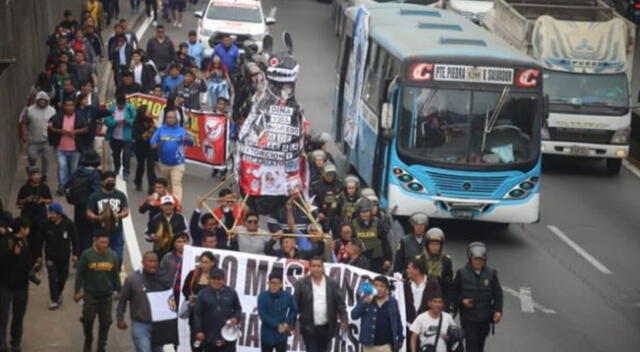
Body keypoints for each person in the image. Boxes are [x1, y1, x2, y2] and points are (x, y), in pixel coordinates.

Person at [450, 242, 503, 352]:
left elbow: (498, 294)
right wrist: (462, 301)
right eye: (475, 259)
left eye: (480, 260)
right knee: (471, 344)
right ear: (470, 259)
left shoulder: (491, 273)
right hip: (468, 318)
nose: (478, 262)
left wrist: (498, 311)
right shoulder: (461, 273)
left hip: (484, 317)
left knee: (480, 345)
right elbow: (453, 293)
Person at [74, 230, 121, 352]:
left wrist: (119, 291)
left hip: (107, 295)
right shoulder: (87, 255)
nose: (104, 245)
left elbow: (116, 275)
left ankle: (101, 345)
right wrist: (77, 291)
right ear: (95, 241)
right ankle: (88, 339)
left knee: (106, 322)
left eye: (106, 242)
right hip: (90, 294)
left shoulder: (113, 256)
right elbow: (79, 274)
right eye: (101, 242)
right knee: (88, 319)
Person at [117, 251, 171, 352]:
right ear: (143, 262)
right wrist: (120, 318)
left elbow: (169, 300)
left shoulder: (163, 279)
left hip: (158, 325)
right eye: (150, 261)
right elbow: (122, 300)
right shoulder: (132, 279)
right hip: (140, 324)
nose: (153, 264)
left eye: (155, 261)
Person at [293, 256, 348, 352]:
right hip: (308, 327)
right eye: (314, 266)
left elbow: (340, 304)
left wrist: (344, 319)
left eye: (319, 266)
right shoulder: (301, 283)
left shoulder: (332, 283)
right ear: (310, 267)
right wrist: (291, 324)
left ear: (323, 267)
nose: (316, 269)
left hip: (327, 327)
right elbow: (295, 305)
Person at [0, 218, 32, 352]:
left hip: (21, 286)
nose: (29, 230)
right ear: (22, 229)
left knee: (18, 316)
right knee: (3, 316)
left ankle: (16, 342)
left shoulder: (25, 242)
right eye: (27, 228)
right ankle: (2, 343)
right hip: (5, 285)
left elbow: (25, 262)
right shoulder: (5, 242)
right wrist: (13, 255)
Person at [193, 268, 243, 352]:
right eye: (213, 278)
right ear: (209, 279)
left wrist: (236, 318)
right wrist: (199, 331)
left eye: (219, 279)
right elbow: (197, 314)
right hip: (209, 335)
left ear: (224, 280)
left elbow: (238, 309)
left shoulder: (231, 292)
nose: (216, 281)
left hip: (228, 335)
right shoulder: (203, 293)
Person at [86, 171, 130, 264]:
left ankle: (115, 274)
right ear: (102, 182)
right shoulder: (95, 196)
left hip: (116, 231)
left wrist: (118, 215)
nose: (111, 182)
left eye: (113, 181)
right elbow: (89, 211)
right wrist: (98, 217)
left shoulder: (120, 195)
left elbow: (126, 210)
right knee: (99, 257)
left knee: (118, 257)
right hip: (100, 231)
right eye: (108, 180)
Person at [150, 109, 194, 202]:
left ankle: (177, 205)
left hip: (178, 163)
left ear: (176, 119)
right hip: (164, 163)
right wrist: (159, 144)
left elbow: (191, 143)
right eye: (168, 117)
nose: (170, 119)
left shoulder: (182, 131)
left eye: (172, 118)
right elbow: (152, 144)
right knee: (166, 186)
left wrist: (188, 139)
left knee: (176, 184)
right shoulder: (160, 130)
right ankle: (167, 203)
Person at [351, 276, 404, 352]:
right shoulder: (365, 299)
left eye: (382, 286)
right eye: (376, 285)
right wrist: (364, 303)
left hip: (386, 346)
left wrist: (400, 337)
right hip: (368, 345)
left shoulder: (393, 302)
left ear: (387, 289)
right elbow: (354, 316)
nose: (378, 288)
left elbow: (397, 320)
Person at [48, 97, 88, 194]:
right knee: (62, 167)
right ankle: (62, 186)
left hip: (75, 149)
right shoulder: (57, 117)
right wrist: (60, 131)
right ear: (64, 106)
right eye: (67, 105)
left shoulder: (79, 117)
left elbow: (86, 128)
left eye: (71, 105)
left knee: (73, 169)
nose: (69, 108)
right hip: (61, 148)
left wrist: (75, 132)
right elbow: (50, 127)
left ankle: (71, 186)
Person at [42, 202, 78, 310]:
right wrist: (38, 255)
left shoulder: (68, 224)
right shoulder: (46, 224)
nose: (51, 215)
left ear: (59, 214)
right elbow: (39, 239)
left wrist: (75, 254)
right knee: (52, 277)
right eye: (50, 213)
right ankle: (54, 299)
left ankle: (59, 292)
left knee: (63, 276)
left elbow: (75, 239)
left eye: (53, 213)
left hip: (64, 255)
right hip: (50, 256)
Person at [65, 150, 102, 254]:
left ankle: (78, 254)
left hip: (78, 207)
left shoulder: (77, 172)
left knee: (79, 232)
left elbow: (66, 187)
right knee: (89, 234)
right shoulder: (95, 175)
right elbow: (97, 192)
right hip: (90, 208)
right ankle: (87, 256)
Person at [16, 167, 53, 264]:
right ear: (30, 176)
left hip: (40, 216)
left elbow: (50, 200)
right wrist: (26, 200)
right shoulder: (24, 188)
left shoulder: (44, 187)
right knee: (29, 238)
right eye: (34, 175)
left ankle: (38, 258)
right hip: (28, 216)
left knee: (39, 238)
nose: (37, 177)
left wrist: (42, 200)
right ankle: (30, 258)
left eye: (38, 175)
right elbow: (19, 201)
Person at [182, 251, 216, 351]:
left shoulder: (216, 276)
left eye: (206, 262)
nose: (203, 265)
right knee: (195, 343)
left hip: (211, 316)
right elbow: (185, 289)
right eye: (201, 262)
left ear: (213, 263)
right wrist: (189, 296)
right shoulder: (194, 274)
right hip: (195, 315)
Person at [410, 280, 457, 352]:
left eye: (440, 302)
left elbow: (455, 335)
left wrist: (449, 338)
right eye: (435, 302)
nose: (437, 305)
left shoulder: (448, 317)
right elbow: (413, 338)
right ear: (429, 303)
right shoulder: (421, 318)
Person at [258, 271, 298, 352]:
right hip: (267, 335)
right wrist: (278, 326)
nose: (274, 286)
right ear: (268, 283)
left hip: (281, 336)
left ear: (281, 284)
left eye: (277, 283)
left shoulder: (287, 296)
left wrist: (286, 323)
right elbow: (262, 315)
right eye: (272, 283)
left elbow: (295, 309)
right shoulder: (262, 296)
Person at [352, 198, 391, 274]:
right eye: (362, 212)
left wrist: (388, 259)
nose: (365, 214)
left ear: (370, 212)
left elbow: (385, 242)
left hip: (376, 260)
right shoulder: (353, 224)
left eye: (367, 211)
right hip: (359, 260)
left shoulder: (378, 223)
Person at [23, 92, 56, 180]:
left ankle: (44, 175)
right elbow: (25, 123)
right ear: (37, 100)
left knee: (46, 159)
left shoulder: (52, 111)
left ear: (47, 101)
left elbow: (55, 124)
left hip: (47, 141)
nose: (42, 102)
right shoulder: (30, 110)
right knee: (31, 156)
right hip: (33, 140)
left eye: (44, 100)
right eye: (40, 100)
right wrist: (25, 134)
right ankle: (32, 171)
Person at [417, 228, 453, 308]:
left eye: (437, 244)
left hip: (441, 299)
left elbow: (449, 282)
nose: (434, 247)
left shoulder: (446, 260)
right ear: (427, 245)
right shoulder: (420, 260)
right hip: (423, 298)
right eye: (432, 244)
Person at [106, 94, 136, 181]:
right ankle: (116, 168)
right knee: (116, 154)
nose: (121, 107)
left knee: (126, 155)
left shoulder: (130, 108)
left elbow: (135, 120)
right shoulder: (111, 109)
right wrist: (115, 122)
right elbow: (107, 121)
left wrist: (127, 121)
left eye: (122, 105)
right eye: (119, 105)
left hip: (127, 137)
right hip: (115, 137)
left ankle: (126, 172)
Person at [159, 233, 189, 307]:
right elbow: (160, 274)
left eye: (185, 241)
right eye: (179, 242)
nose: (182, 244)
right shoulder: (168, 258)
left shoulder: (192, 257)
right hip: (171, 292)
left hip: (186, 293)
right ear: (174, 244)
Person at [393, 212, 428, 277]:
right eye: (417, 225)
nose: (419, 228)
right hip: (409, 277)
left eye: (422, 225)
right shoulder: (404, 241)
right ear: (413, 226)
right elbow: (398, 261)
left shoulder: (429, 240)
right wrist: (397, 275)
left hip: (425, 276)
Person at [133, 105, 157, 191]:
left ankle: (152, 186)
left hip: (149, 147)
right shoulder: (137, 122)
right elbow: (135, 135)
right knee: (141, 166)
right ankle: (138, 181)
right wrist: (144, 135)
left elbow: (155, 131)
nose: (150, 112)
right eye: (148, 111)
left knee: (150, 166)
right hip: (140, 147)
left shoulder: (151, 121)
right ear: (144, 113)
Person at [404, 258, 428, 328]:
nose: (407, 271)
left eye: (409, 268)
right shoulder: (406, 286)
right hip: (409, 326)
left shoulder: (431, 284)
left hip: (425, 326)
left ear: (417, 270)